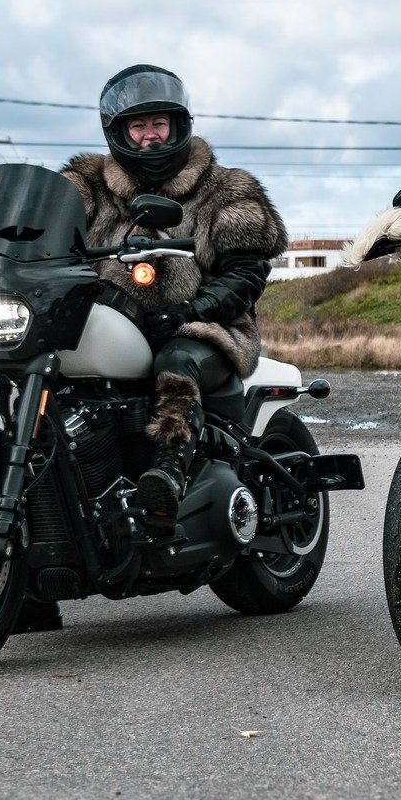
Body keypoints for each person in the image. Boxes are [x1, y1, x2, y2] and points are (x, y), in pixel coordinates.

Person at [61, 67, 288, 522]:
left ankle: (166, 475)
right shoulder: (89, 186)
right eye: (138, 126)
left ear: (178, 125)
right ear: (118, 132)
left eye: (159, 123)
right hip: (105, 327)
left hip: (207, 330)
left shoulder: (224, 190)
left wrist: (189, 312)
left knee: (177, 358)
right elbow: (38, 222)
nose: (150, 136)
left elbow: (245, 275)